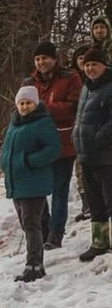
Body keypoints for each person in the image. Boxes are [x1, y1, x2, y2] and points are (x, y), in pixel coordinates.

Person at [22, 41, 82, 250]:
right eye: (38, 59)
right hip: (37, 146)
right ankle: (44, 228)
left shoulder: (70, 77)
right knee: (39, 189)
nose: (41, 63)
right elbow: (21, 109)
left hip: (62, 143)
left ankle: (56, 234)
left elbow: (75, 108)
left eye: (45, 58)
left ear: (55, 59)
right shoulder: (30, 82)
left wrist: (45, 108)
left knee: (59, 190)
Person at [0, 86, 60, 282]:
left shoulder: (42, 123)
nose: (24, 107)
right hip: (17, 183)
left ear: (35, 104)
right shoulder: (14, 124)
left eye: (28, 103)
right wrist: (3, 162)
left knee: (31, 224)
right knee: (27, 224)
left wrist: (29, 161)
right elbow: (7, 149)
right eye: (21, 103)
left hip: (34, 182)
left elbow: (53, 149)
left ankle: (34, 265)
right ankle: (33, 261)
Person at [72, 47, 112, 261]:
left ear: (104, 65)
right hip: (86, 155)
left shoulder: (109, 87)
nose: (90, 68)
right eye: (87, 65)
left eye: (94, 64)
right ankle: (100, 242)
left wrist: (99, 138)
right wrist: (75, 136)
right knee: (95, 202)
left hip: (106, 156)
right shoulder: (86, 88)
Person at [71, 44, 91, 222]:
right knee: (80, 169)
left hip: (96, 131)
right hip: (77, 129)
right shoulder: (72, 80)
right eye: (80, 58)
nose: (83, 61)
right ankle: (87, 204)